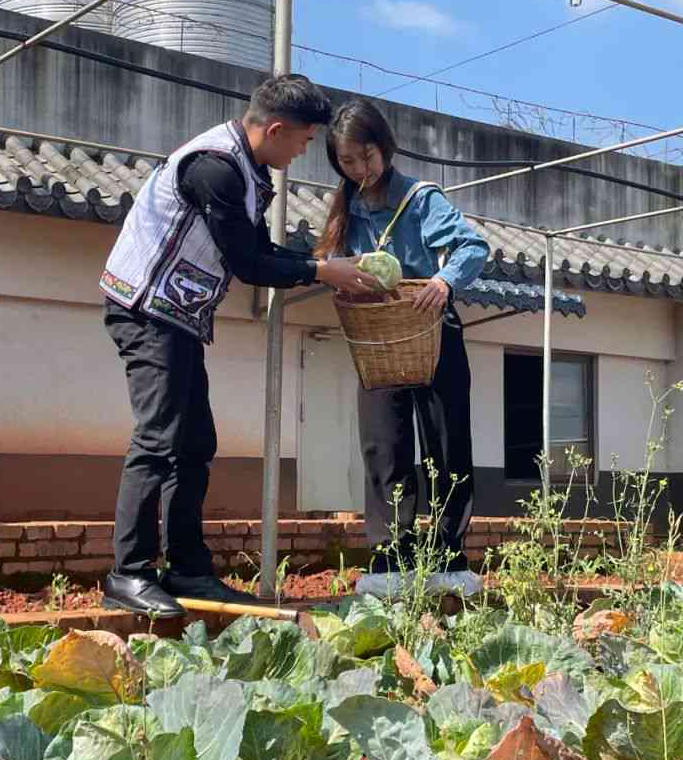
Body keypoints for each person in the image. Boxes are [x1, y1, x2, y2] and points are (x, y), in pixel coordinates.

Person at [99, 75, 377, 617]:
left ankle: (188, 570)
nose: (302, 151)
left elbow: (254, 246)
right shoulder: (215, 169)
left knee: (195, 442)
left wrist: (320, 264)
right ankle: (127, 573)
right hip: (145, 310)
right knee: (159, 438)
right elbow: (248, 264)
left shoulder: (244, 170)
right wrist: (325, 271)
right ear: (273, 129)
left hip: (176, 318)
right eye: (300, 140)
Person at [315, 98, 490, 597]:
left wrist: (443, 282)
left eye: (366, 157)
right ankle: (391, 556)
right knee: (383, 445)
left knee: (447, 441)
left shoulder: (419, 198)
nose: (359, 170)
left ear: (385, 148)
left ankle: (448, 554)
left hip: (432, 326)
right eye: (346, 162)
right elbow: (333, 259)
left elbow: (473, 247)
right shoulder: (344, 205)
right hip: (378, 337)